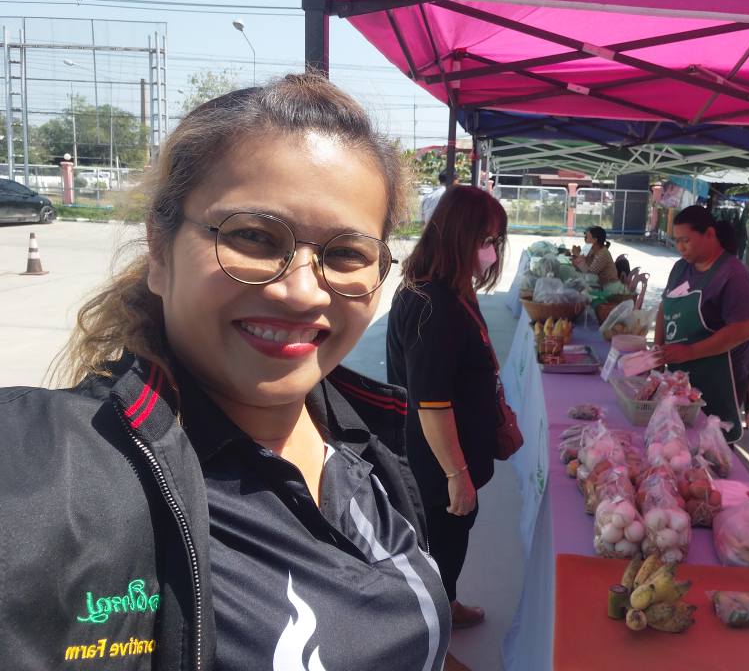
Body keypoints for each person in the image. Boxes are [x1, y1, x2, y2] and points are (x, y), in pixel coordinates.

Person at [0, 75, 451, 670]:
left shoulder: (366, 438)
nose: (301, 292)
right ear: (159, 250)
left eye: (346, 253)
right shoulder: (59, 472)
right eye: (254, 237)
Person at [386, 186, 508, 671]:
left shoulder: (449, 291)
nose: (492, 250)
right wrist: (457, 474)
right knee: (438, 546)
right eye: (486, 239)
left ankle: (448, 604)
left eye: (496, 240)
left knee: (453, 541)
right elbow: (432, 402)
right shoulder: (433, 305)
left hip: (453, 455)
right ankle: (430, 640)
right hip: (437, 463)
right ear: (459, 236)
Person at [652, 206, 749, 442]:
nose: (680, 247)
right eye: (677, 241)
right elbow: (664, 307)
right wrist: (657, 351)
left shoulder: (733, 275)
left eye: (686, 240)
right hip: (682, 370)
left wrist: (690, 351)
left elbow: (743, 330)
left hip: (721, 374)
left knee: (713, 439)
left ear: (710, 234)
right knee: (678, 435)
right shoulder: (681, 268)